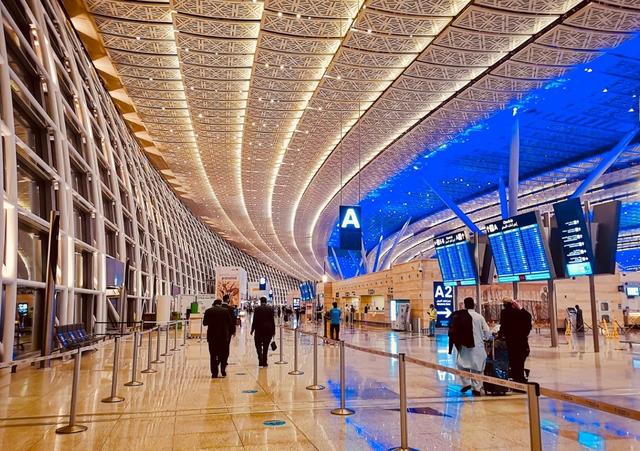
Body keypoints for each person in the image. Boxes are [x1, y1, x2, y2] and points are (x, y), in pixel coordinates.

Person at [449, 297, 491, 396]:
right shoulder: (479, 317)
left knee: (462, 365)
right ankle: (476, 388)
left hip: (464, 347)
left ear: (464, 305)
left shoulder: (459, 316)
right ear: (474, 305)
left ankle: (466, 383)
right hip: (478, 346)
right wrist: (487, 338)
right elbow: (487, 331)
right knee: (478, 368)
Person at [499, 300, 532, 385]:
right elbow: (528, 318)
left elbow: (503, 326)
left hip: (511, 342)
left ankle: (516, 379)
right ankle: (520, 380)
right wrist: (521, 308)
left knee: (513, 362)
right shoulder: (521, 314)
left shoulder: (505, 313)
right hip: (522, 342)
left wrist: (500, 335)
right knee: (520, 363)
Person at [203, 299, 232, 378]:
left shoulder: (208, 311)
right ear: (220, 304)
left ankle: (214, 373)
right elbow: (230, 323)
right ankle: (223, 369)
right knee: (224, 354)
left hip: (212, 337)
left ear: (213, 304)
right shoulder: (225, 311)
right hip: (223, 336)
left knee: (213, 355)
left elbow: (204, 323)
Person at [251, 297, 275, 367]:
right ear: (266, 301)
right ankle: (264, 362)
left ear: (260, 301)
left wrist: (252, 329)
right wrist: (273, 331)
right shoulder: (270, 309)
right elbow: (272, 321)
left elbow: (254, 320)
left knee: (258, 345)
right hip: (268, 331)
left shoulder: (257, 309)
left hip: (259, 330)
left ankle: (260, 358)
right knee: (266, 347)